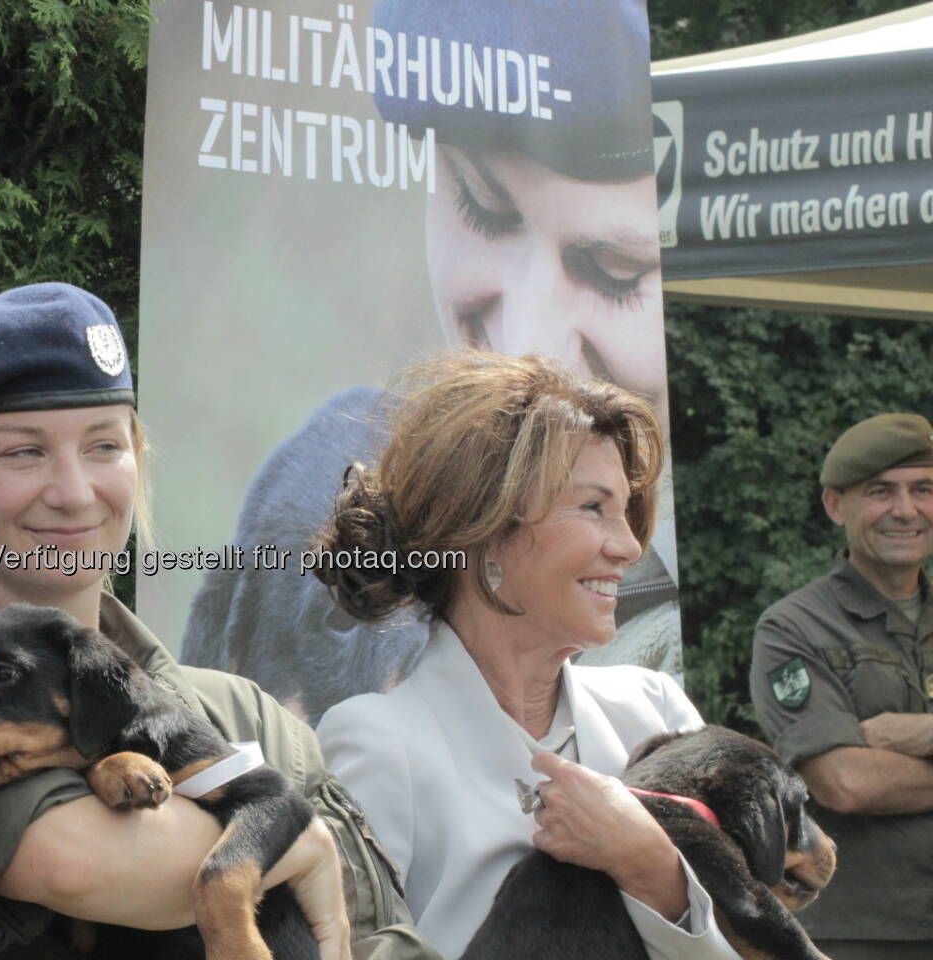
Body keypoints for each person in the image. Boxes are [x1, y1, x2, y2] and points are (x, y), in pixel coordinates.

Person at [0, 282, 439, 960]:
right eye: (24, 451)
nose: (74, 492)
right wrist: (299, 841)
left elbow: (377, 928)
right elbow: (76, 861)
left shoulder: (251, 713)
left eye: (104, 447)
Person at [180, 0, 678, 726]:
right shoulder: (366, 745)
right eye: (483, 206)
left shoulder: (648, 680)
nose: (527, 344)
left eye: (612, 268)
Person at [313, 351, 739, 959]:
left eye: (626, 512)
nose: (627, 546)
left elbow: (757, 934)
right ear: (486, 531)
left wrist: (650, 867)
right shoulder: (378, 744)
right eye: (593, 507)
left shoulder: (657, 712)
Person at [750, 413, 933, 960]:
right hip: (867, 933)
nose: (905, 509)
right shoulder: (794, 628)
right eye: (881, 492)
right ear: (837, 505)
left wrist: (916, 734)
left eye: (923, 489)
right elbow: (845, 782)